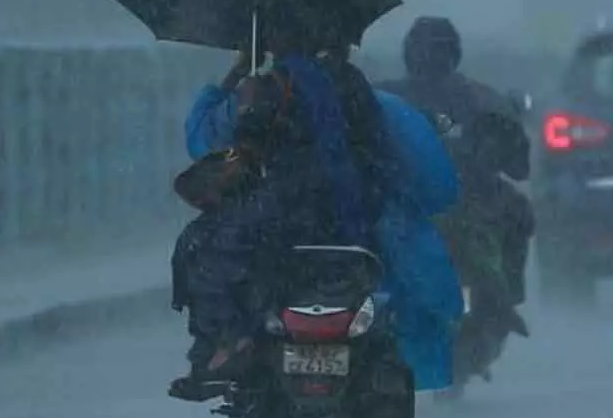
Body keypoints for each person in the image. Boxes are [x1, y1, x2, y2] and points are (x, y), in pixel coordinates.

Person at [177, 44, 462, 395]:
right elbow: (433, 182)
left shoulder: (259, 93)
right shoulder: (370, 100)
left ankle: (219, 348)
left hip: (280, 230)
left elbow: (200, 139)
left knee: (200, 249)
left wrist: (237, 74)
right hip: (355, 231)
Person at [375, 17, 533, 338]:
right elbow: (519, 166)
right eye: (429, 51)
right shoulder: (482, 98)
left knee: (519, 212)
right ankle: (506, 300)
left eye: (436, 51)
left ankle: (504, 299)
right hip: (418, 209)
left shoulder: (382, 98)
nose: (431, 59)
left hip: (443, 207)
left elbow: (519, 163)